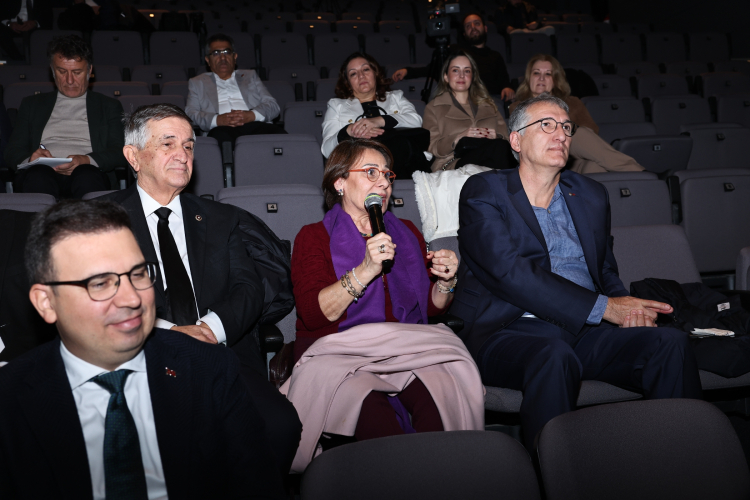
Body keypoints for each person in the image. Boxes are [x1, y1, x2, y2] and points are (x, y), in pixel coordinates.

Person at [451, 93, 702, 450]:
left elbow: (604, 269)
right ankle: (556, 470)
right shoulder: (485, 190)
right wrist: (606, 308)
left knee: (669, 343)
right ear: (516, 140)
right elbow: (509, 273)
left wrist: (626, 308)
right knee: (553, 355)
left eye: (567, 127)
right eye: (547, 125)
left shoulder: (590, 193)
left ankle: (682, 462)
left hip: (587, 330)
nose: (561, 135)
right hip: (509, 331)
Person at [0, 199, 285, 499]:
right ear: (46, 302)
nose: (132, 299)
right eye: (100, 283)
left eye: (138, 274)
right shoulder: (9, 401)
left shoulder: (210, 371)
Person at [99, 103, 301, 476]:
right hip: (139, 355)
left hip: (221, 351)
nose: (183, 154)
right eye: (168, 144)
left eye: (189, 146)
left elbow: (248, 288)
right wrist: (170, 333)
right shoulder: (101, 219)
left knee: (279, 426)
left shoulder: (220, 217)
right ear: (133, 156)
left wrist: (209, 329)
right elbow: (99, 297)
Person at [283, 139, 484, 472]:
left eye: (387, 175)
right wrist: (365, 269)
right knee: (377, 422)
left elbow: (432, 309)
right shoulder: (313, 237)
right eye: (371, 172)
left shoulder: (405, 232)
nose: (384, 183)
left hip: (406, 348)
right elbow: (314, 314)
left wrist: (446, 281)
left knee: (441, 403)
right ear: (340, 182)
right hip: (341, 353)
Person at [4, 35, 127, 198]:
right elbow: (12, 151)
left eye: (77, 72)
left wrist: (86, 160)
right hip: (41, 172)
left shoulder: (108, 106)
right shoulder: (32, 104)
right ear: (52, 71)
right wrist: (30, 159)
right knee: (38, 176)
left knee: (86, 176)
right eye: (62, 71)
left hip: (88, 171)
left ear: (89, 71)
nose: (69, 80)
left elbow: (119, 152)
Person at [510, 54, 644, 174]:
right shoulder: (519, 107)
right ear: (529, 78)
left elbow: (591, 132)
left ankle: (641, 182)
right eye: (536, 73)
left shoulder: (572, 102)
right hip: (540, 158)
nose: (541, 78)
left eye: (548, 74)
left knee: (594, 165)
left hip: (572, 158)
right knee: (576, 134)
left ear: (555, 80)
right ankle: (640, 172)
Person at [321, 52, 428, 177]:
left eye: (366, 69)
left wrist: (379, 121)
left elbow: (416, 121)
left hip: (404, 164)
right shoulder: (336, 106)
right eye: (353, 73)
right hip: (361, 167)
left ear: (375, 73)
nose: (361, 76)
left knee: (402, 145)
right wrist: (349, 130)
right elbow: (327, 150)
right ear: (348, 83)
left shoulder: (395, 97)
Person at [186, 33, 284, 146]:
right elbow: (191, 114)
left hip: (254, 125)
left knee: (280, 135)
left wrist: (251, 115)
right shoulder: (197, 82)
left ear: (235, 57)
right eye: (216, 53)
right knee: (220, 137)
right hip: (221, 129)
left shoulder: (250, 76)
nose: (223, 58)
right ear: (208, 60)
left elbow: (273, 106)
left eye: (227, 52)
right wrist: (217, 120)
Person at [422, 50, 513, 171]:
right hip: (453, 163)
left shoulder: (489, 105)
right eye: (455, 70)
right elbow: (431, 147)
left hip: (492, 159)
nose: (461, 75)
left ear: (473, 77)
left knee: (501, 148)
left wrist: (496, 136)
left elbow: (507, 141)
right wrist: (458, 138)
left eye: (467, 71)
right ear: (446, 77)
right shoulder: (433, 107)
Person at [392, 12, 515, 100]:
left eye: (477, 23)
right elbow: (432, 69)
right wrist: (408, 71)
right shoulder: (456, 51)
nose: (473, 27)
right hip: (462, 102)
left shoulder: (495, 56)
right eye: (468, 26)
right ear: (464, 33)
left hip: (489, 102)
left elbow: (504, 81)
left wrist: (507, 87)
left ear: (485, 28)